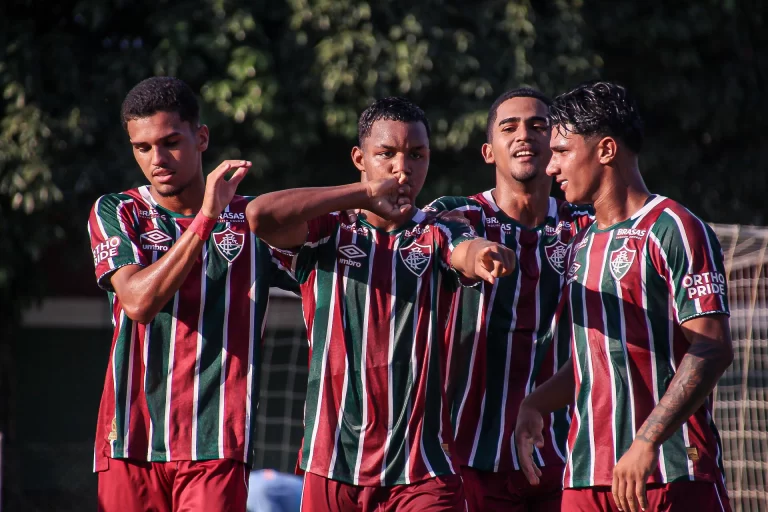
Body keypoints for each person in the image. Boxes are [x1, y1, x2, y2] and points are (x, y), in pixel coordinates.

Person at [247, 97, 517, 512]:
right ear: (360, 158)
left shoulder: (438, 231)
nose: (402, 168)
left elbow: (466, 251)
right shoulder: (330, 230)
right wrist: (363, 194)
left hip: (422, 470)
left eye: (416, 155)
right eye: (386, 154)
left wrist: (484, 255)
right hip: (332, 464)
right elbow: (259, 215)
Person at [515, 81, 733, 512]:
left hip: (670, 470)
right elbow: (593, 359)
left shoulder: (674, 228)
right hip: (586, 476)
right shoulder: (578, 244)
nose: (550, 166)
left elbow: (712, 347)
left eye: (561, 151)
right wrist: (535, 403)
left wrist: (647, 439)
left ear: (607, 150)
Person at [87, 76, 295, 512]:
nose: (157, 159)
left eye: (170, 142)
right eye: (142, 148)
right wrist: (205, 218)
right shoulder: (118, 211)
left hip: (216, 442)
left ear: (201, 138)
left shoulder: (252, 223)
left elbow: (350, 253)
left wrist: (370, 194)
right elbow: (139, 302)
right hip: (130, 439)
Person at [425, 88, 593, 512]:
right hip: (469, 454)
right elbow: (458, 244)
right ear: (488, 151)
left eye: (539, 126)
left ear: (555, 146)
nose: (525, 135)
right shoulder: (456, 214)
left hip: (565, 453)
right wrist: (479, 254)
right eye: (509, 127)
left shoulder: (585, 227)